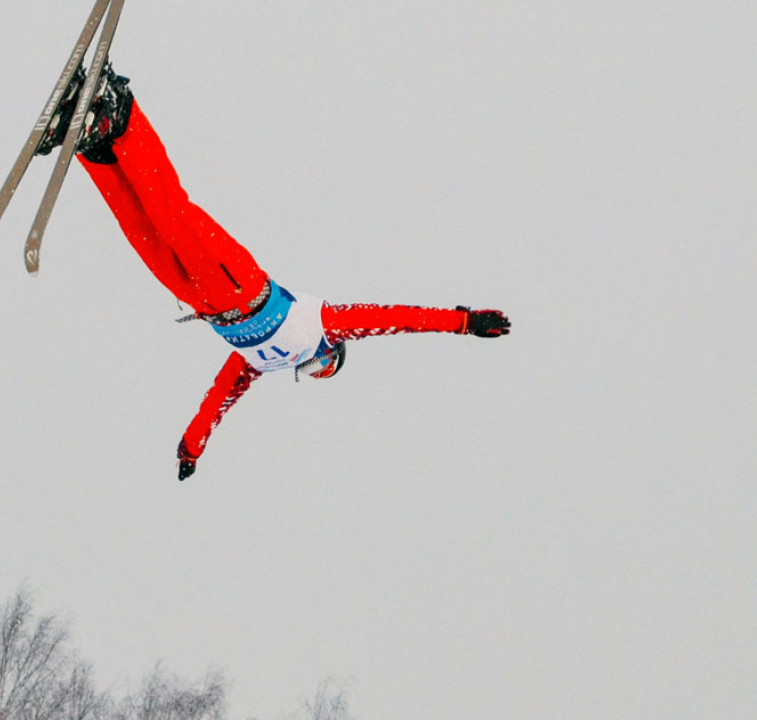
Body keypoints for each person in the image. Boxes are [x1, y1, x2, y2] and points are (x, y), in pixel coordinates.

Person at [37, 65, 511, 481]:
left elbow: (221, 398)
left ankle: (94, 142)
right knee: (171, 214)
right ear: (332, 353)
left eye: (318, 375)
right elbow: (396, 318)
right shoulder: (323, 326)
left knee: (140, 230)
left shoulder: (262, 362)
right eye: (327, 366)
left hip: (205, 304)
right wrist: (464, 322)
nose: (317, 370)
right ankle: (123, 116)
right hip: (240, 285)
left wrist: (192, 445)